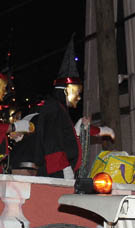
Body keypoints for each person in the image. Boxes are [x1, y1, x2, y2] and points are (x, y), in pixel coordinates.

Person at [37, 36, 114, 179]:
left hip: (59, 173)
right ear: (67, 89)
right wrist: (64, 168)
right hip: (54, 175)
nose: (79, 98)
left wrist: (92, 129)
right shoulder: (53, 108)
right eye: (77, 93)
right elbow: (52, 142)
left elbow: (66, 139)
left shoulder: (59, 109)